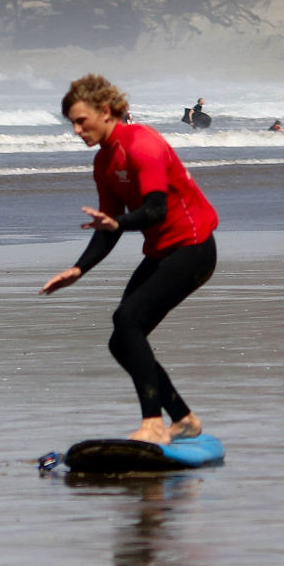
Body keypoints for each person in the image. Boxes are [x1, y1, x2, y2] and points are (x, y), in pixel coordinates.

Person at [41, 74, 219, 445]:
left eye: (80, 121)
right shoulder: (104, 163)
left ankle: (153, 423)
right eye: (71, 123)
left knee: (127, 320)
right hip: (163, 251)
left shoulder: (142, 144)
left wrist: (118, 221)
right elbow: (109, 226)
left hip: (194, 246)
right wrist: (79, 268)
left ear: (105, 112)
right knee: (122, 339)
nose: (75, 130)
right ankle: (184, 419)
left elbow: (155, 209)